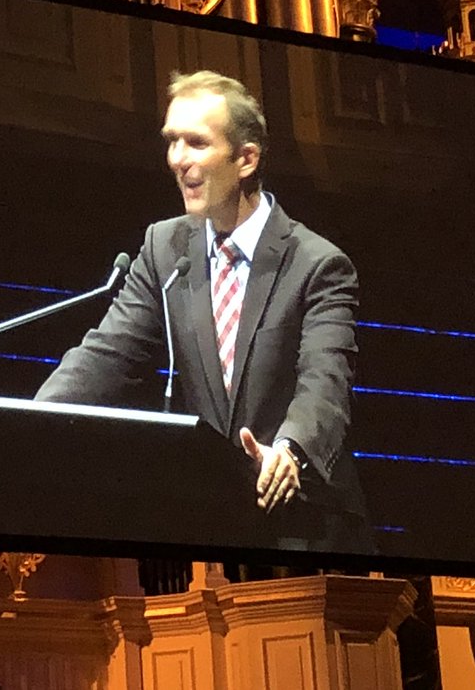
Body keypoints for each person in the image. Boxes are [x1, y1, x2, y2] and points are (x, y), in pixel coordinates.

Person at [35, 69, 370, 552]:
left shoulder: (318, 264)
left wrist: (289, 450)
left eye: (196, 143)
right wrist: (33, 420)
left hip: (308, 524)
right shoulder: (166, 247)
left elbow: (325, 383)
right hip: (212, 521)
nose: (178, 160)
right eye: (172, 142)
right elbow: (108, 354)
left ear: (246, 159)